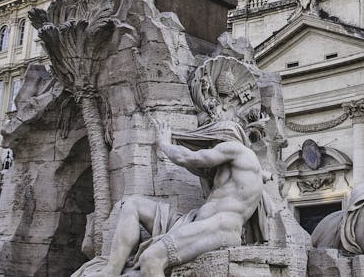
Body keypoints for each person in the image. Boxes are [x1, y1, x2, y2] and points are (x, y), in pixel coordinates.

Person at [73, 118, 267, 277]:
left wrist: (165, 144)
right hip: (194, 221)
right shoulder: (242, 168)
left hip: (219, 228)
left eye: (211, 143)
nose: (212, 148)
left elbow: (189, 158)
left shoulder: (235, 148)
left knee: (151, 259)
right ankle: (111, 271)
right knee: (133, 205)